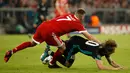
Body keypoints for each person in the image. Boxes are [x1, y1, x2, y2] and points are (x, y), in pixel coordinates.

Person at [4, 8, 100, 68]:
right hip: (50, 32)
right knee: (62, 47)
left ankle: (12, 51)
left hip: (43, 25)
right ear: (82, 17)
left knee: (32, 43)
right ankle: (52, 63)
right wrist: (100, 44)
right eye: (83, 17)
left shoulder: (69, 15)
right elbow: (89, 36)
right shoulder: (77, 23)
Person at [42, 35, 123, 70]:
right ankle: (49, 52)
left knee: (68, 56)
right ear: (107, 51)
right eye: (112, 51)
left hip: (77, 42)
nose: (112, 53)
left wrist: (120, 67)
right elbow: (101, 67)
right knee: (67, 64)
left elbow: (111, 62)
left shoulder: (103, 48)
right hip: (73, 45)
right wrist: (114, 69)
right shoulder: (97, 52)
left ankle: (51, 52)